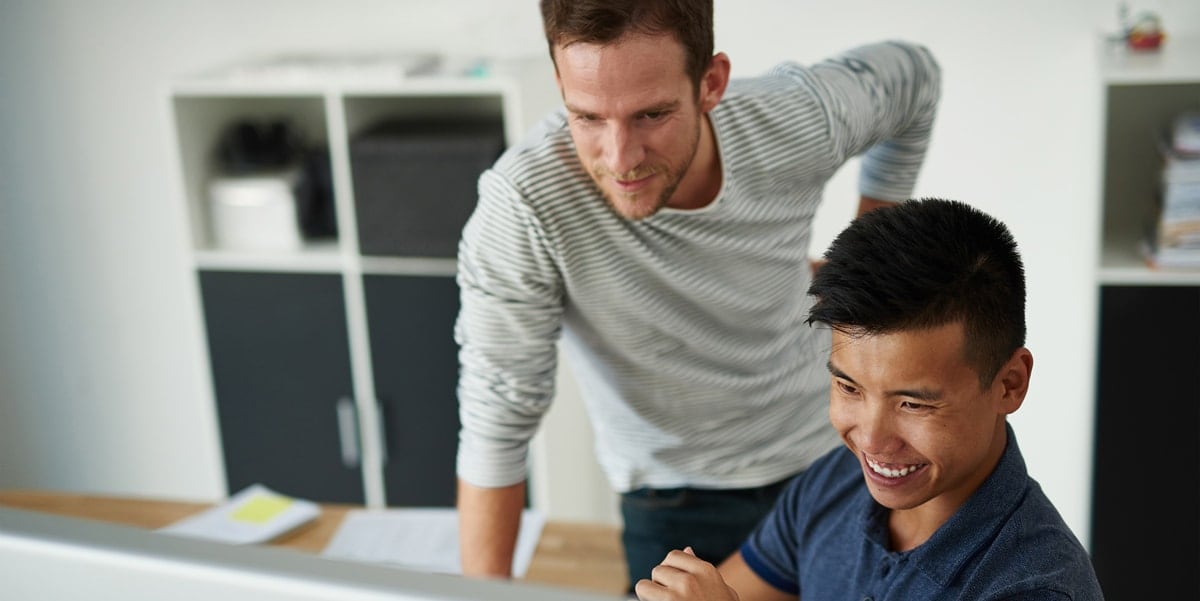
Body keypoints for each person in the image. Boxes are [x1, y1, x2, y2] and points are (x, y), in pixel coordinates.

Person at [454, 0, 941, 587]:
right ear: (561, 85)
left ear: (711, 83)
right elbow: (497, 420)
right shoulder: (523, 206)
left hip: (832, 463)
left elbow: (913, 77)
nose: (620, 157)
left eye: (651, 115)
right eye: (587, 117)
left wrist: (862, 263)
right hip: (674, 500)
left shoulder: (796, 119)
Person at [634, 198, 1105, 600]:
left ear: (1010, 384)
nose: (872, 441)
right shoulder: (833, 484)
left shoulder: (1035, 587)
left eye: (913, 404)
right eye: (849, 388)